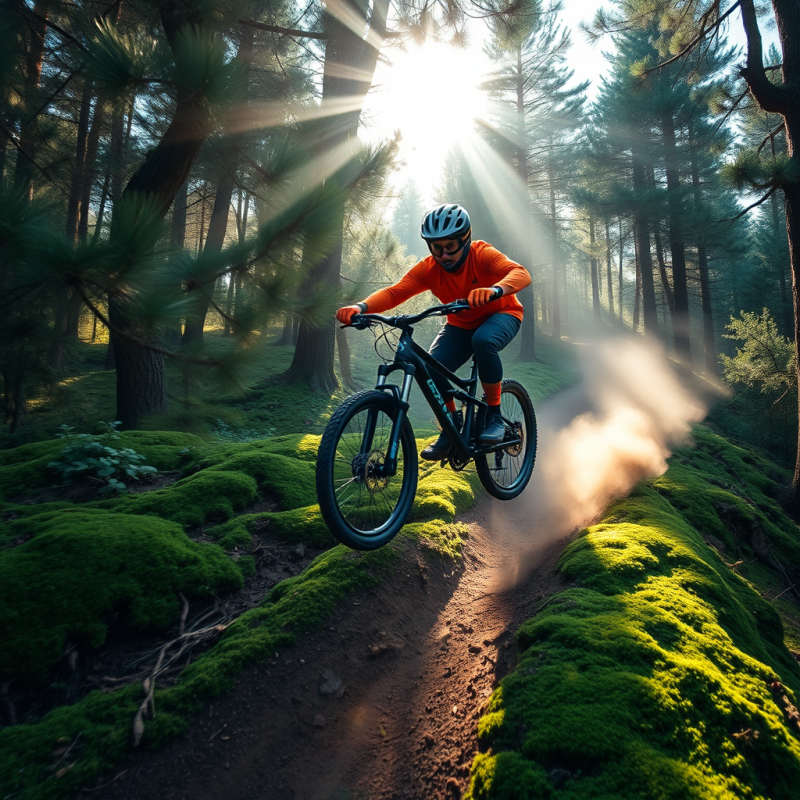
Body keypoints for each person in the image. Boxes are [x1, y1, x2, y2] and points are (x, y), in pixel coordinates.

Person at [336, 203, 531, 460]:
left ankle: (494, 416)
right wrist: (360, 306)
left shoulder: (482, 254)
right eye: (436, 248)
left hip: (502, 314)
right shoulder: (429, 269)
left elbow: (520, 273)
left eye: (450, 246)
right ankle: (452, 426)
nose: (443, 255)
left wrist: (496, 290)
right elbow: (396, 292)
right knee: (430, 366)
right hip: (460, 324)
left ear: (466, 239)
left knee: (483, 341)